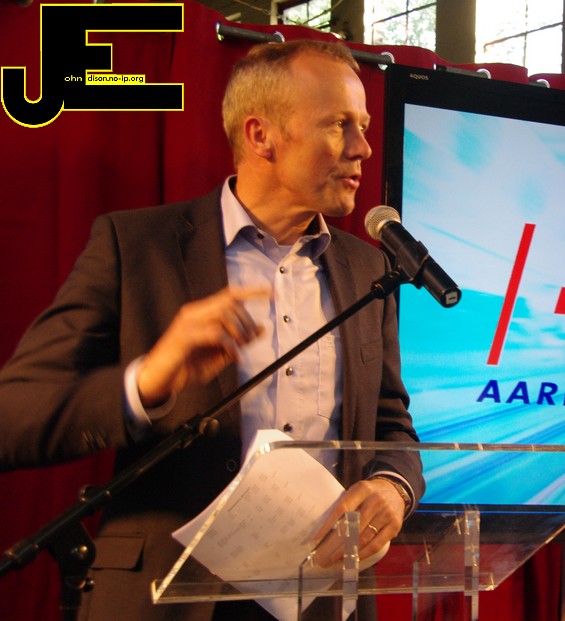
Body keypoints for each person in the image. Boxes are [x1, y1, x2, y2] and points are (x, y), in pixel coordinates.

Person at [0, 39, 424, 620]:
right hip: (166, 598)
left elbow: (391, 425)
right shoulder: (137, 248)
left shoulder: (368, 268)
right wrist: (147, 382)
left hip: (323, 598)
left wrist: (395, 488)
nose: (363, 148)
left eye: (365, 126)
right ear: (261, 135)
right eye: (338, 125)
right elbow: (14, 416)